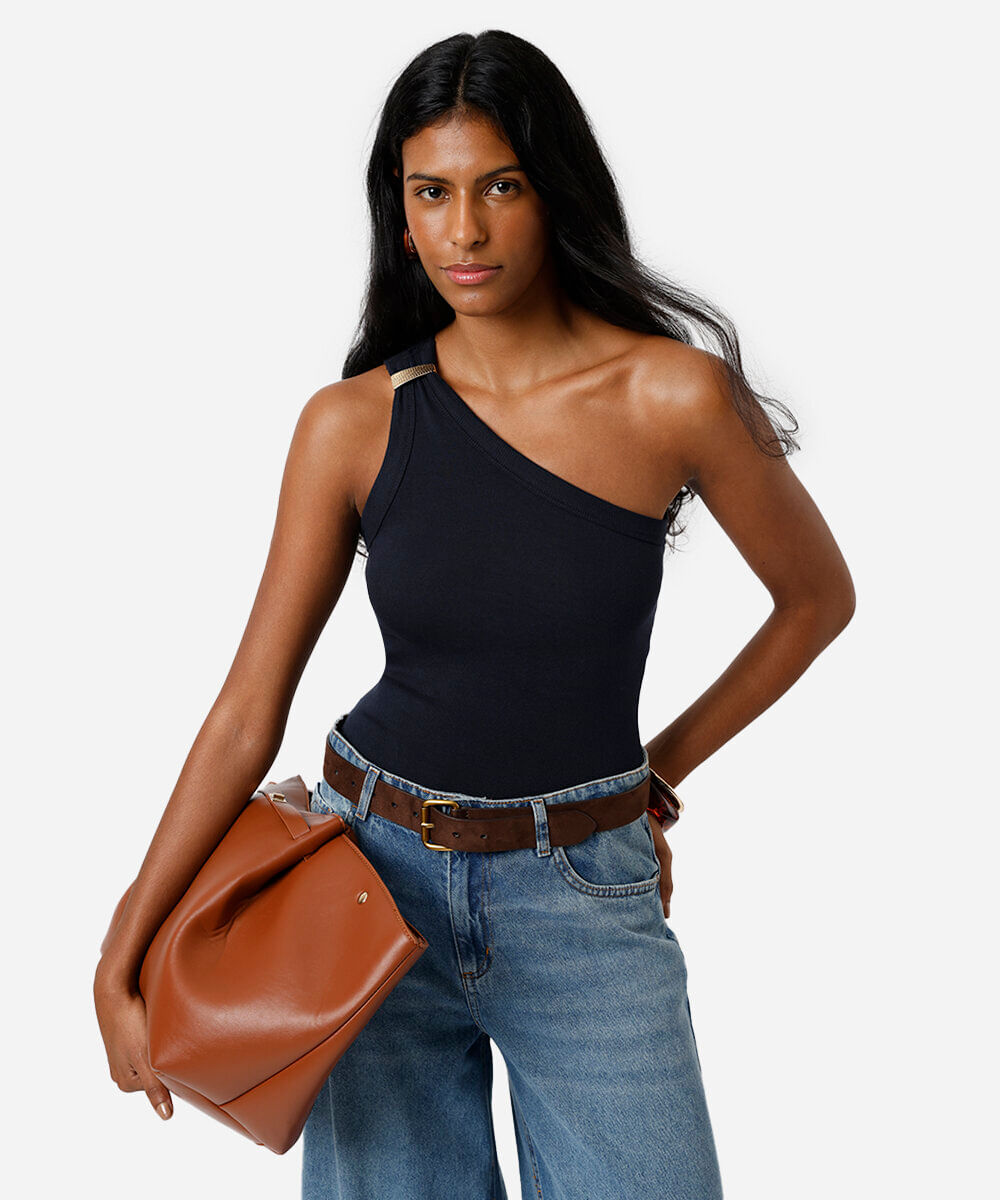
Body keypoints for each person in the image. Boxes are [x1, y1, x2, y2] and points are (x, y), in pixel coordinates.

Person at [94, 29, 855, 1200]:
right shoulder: (351, 423)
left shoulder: (673, 395)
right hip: (366, 885)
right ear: (398, 215)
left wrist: (653, 776)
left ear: (555, 191)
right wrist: (123, 945)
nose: (464, 230)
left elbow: (814, 602)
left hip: (585, 897)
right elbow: (249, 707)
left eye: (499, 186)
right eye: (431, 193)